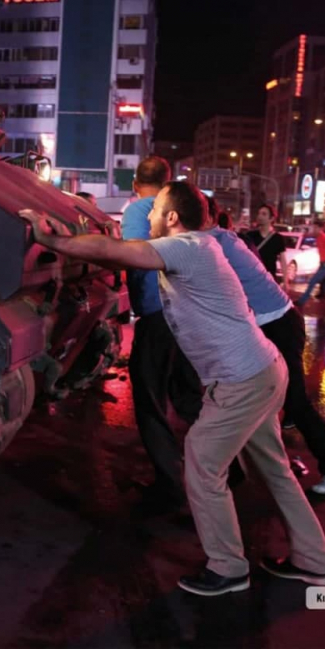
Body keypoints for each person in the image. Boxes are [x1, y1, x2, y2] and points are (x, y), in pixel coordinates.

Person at [20, 182, 325, 596]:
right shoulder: (205, 244)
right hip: (261, 371)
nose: (146, 219)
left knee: (203, 464)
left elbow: (117, 251)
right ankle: (314, 562)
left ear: (172, 217)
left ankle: (227, 568)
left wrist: (50, 239)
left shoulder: (187, 246)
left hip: (243, 380)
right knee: (273, 468)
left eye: (153, 212)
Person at [206, 198, 325, 496]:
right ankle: (267, 464)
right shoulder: (223, 241)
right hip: (267, 324)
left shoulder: (218, 243)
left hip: (279, 324)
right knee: (263, 398)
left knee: (295, 400)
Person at [122, 158, 202, 507]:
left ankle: (170, 485)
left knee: (150, 398)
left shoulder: (138, 209)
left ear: (136, 182)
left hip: (157, 316)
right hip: (187, 313)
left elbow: (135, 257)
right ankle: (235, 464)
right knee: (188, 397)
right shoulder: (181, 209)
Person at [247, 204, 289, 291]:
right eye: (259, 213)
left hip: (269, 280)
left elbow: (283, 261)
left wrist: (285, 281)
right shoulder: (250, 236)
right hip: (252, 278)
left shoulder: (278, 238)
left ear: (272, 218)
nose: (260, 216)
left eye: (264, 214)